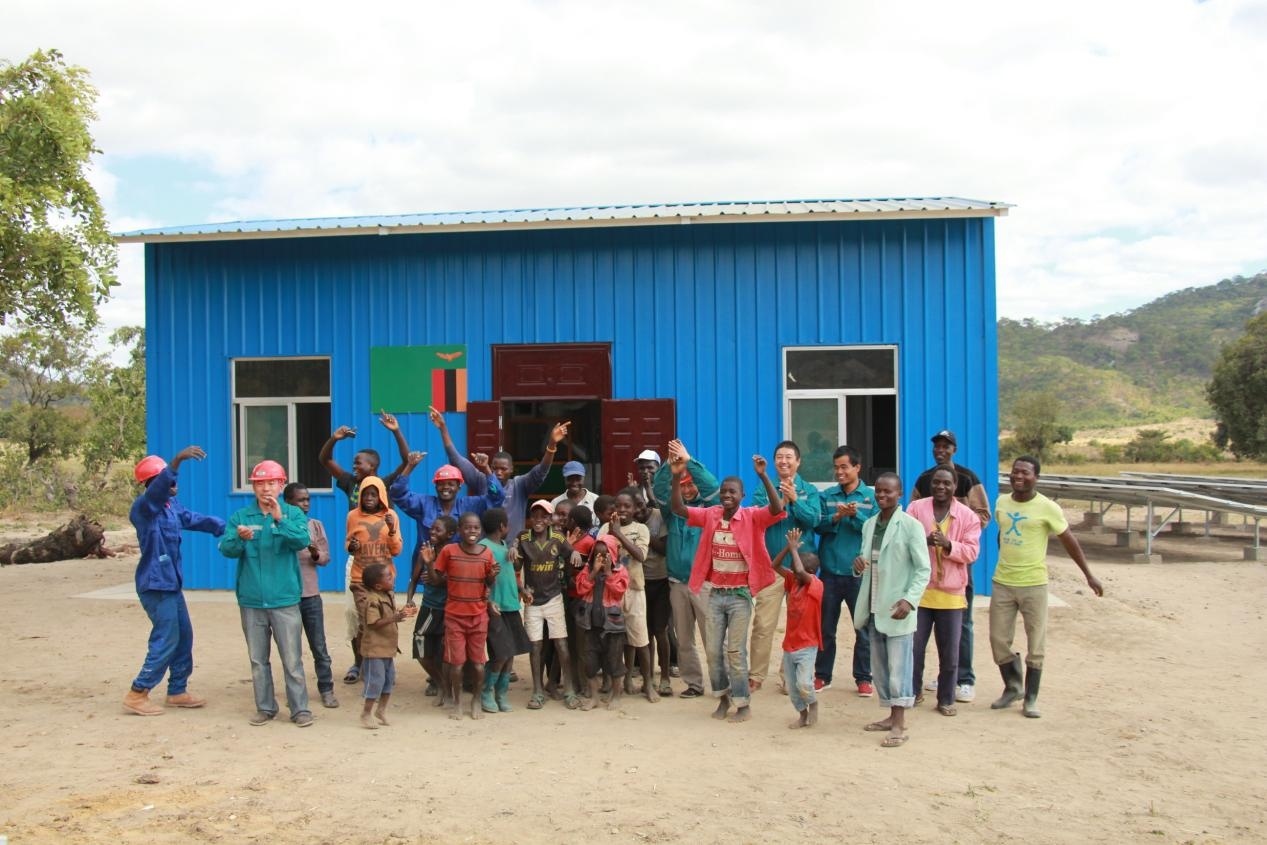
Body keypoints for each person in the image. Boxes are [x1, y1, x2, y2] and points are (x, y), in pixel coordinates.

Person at [670, 452, 784, 723]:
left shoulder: (753, 517)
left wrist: (763, 476)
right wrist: (676, 477)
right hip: (716, 594)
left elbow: (778, 509)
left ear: (742, 495)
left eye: (732, 491)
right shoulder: (711, 515)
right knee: (713, 651)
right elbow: (679, 509)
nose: (726, 495)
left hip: (740, 596)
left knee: (735, 651)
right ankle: (722, 698)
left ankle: (743, 704)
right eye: (723, 491)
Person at [991, 456, 1103, 719]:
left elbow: (1069, 541)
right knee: (998, 640)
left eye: (1025, 473)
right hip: (1003, 582)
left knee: (1036, 643)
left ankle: (1030, 698)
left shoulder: (1047, 507)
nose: (1018, 476)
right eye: (1015, 472)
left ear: (1036, 478)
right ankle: (1013, 686)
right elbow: (1002, 533)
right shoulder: (1001, 503)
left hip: (1034, 584)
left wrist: (1089, 575)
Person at [124, 447, 225, 716]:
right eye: (168, 480)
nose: (174, 483)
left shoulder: (170, 507)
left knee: (184, 636)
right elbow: (157, 491)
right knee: (166, 637)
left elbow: (192, 519)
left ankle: (177, 690)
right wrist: (177, 461)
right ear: (156, 483)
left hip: (170, 584)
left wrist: (224, 527)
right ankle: (138, 692)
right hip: (155, 585)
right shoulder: (144, 508)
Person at [218, 460, 315, 727]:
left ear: (282, 485)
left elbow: (301, 541)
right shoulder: (241, 517)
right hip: (251, 600)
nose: (265, 488)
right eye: (260, 483)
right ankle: (265, 707)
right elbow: (226, 549)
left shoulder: (293, 514)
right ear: (253, 486)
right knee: (258, 660)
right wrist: (238, 538)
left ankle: (300, 710)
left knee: (292, 659)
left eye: (271, 482)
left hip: (284, 599)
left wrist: (279, 518)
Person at [318, 411, 409, 685]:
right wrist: (334, 438)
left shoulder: (384, 485)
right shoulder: (350, 483)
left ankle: (381, 664)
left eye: (359, 462)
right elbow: (325, 460)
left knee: (381, 612)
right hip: (357, 562)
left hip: (381, 561)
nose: (354, 465)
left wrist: (395, 431)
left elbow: (406, 461)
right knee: (354, 614)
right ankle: (358, 663)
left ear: (372, 466)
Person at [909, 429, 992, 703]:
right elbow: (911, 519)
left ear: (954, 449)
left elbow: (984, 513)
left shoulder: (969, 478)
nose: (940, 450)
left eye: (946, 446)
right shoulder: (924, 479)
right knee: (919, 635)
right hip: (925, 572)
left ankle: (964, 679)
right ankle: (921, 686)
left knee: (960, 627)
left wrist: (956, 532)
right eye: (937, 447)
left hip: (956, 570)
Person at [851, 473, 931, 748]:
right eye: (879, 492)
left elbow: (923, 569)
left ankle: (899, 723)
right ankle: (890, 714)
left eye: (888, 492)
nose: (882, 496)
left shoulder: (911, 526)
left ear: (899, 494)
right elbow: (866, 560)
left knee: (899, 666)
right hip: (874, 606)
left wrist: (910, 600)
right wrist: (858, 565)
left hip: (898, 607)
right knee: (881, 667)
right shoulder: (870, 525)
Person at [430, 406, 571, 542]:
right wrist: (443, 428)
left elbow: (542, 470)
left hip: (514, 552)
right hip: (485, 550)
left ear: (512, 469)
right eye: (495, 468)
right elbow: (456, 459)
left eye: (503, 469)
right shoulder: (482, 479)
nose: (498, 472)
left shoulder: (519, 484)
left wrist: (552, 444)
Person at [906, 467, 981, 716]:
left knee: (949, 653)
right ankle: (913, 691)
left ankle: (946, 699)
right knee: (914, 648)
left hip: (951, 593)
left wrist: (949, 545)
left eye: (946, 483)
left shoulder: (968, 516)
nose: (940, 487)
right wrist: (922, 541)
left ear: (955, 486)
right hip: (921, 591)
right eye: (937, 482)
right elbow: (904, 539)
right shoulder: (916, 509)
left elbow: (972, 552)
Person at [749, 440, 822, 692]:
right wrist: (781, 497)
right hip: (771, 567)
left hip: (800, 569)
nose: (783, 461)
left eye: (789, 457)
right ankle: (756, 675)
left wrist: (795, 500)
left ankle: (788, 677)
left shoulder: (809, 490)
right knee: (763, 623)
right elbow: (761, 519)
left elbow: (813, 519)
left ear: (798, 461)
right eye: (779, 457)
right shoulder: (762, 490)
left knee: (797, 625)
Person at [652, 439, 719, 699]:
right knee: (684, 638)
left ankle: (720, 682)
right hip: (677, 582)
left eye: (691, 484)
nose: (688, 489)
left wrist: (690, 462)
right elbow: (658, 492)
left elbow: (712, 487)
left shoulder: (711, 510)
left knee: (712, 635)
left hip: (704, 584)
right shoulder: (673, 512)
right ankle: (694, 683)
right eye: (684, 484)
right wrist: (671, 468)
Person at [814, 445, 877, 696]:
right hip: (829, 571)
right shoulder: (827, 496)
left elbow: (874, 529)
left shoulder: (870, 497)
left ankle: (863, 678)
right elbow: (817, 526)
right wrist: (836, 518)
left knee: (862, 627)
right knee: (825, 627)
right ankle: (822, 675)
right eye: (836, 467)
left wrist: (854, 517)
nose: (839, 472)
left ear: (857, 468)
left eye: (844, 467)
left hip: (858, 574)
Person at [434, 512, 499, 720]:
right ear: (460, 530)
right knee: (457, 664)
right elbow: (436, 579)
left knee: (479, 664)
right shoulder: (448, 551)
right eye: (468, 527)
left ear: (480, 531)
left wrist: (491, 577)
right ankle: (458, 703)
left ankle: (476, 700)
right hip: (454, 616)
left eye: (476, 528)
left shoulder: (487, 553)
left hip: (478, 616)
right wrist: (428, 562)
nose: (472, 531)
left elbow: (489, 584)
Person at [516, 500, 580, 710]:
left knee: (561, 644)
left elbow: (571, 553)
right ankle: (537, 690)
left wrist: (575, 553)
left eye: (544, 516)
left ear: (550, 519)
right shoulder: (523, 538)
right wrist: (512, 553)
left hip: (554, 598)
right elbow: (516, 564)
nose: (539, 520)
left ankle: (569, 689)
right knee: (535, 646)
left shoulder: (558, 538)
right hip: (532, 600)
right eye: (535, 516)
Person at [283, 482, 338, 709]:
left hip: (311, 595)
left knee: (319, 646)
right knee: (291, 649)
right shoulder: (282, 527)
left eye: (307, 499)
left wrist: (316, 554)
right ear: (288, 503)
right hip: (286, 596)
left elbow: (326, 558)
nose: (305, 503)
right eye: (300, 500)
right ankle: (296, 693)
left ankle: (326, 689)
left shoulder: (315, 526)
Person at [599, 490, 656, 702]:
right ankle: (619, 681)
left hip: (634, 589)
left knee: (639, 638)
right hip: (611, 590)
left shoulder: (641, 529)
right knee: (615, 638)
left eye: (627, 506)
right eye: (618, 506)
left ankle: (648, 683)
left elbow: (640, 556)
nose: (622, 510)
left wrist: (619, 534)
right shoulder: (605, 528)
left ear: (634, 509)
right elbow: (600, 554)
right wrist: (611, 533)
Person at [344, 477, 403, 662]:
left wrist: (392, 530)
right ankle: (366, 664)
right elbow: (347, 544)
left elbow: (397, 550)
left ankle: (386, 662)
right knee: (368, 623)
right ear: (360, 496)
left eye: (373, 494)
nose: (369, 498)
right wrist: (352, 546)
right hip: (360, 579)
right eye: (365, 494)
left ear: (381, 496)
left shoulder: (391, 516)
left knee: (387, 622)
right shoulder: (353, 516)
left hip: (385, 581)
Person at [772, 528, 823, 729]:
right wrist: (788, 547)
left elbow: (801, 571)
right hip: (790, 645)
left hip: (807, 645)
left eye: (795, 568)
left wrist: (794, 550)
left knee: (804, 684)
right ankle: (802, 715)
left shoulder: (816, 585)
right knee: (793, 689)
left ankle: (813, 703)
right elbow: (774, 565)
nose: (793, 571)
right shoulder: (793, 582)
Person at [480, 508, 530, 713]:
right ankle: (486, 691)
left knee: (510, 655)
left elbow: (511, 576)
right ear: (502, 527)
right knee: (500, 654)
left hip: (511, 606)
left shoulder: (504, 546)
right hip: (495, 609)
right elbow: (481, 579)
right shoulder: (484, 548)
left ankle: (501, 693)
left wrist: (522, 590)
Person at [404, 515, 458, 702]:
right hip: (429, 608)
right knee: (420, 649)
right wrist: (410, 599)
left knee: (445, 651)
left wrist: (432, 568)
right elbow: (414, 578)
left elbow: (444, 581)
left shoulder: (453, 553)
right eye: (432, 529)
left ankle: (447, 688)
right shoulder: (426, 551)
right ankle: (441, 683)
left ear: (450, 534)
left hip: (447, 609)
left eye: (438, 530)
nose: (432, 532)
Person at [357, 562, 417, 729]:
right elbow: (373, 623)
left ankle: (381, 710)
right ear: (377, 585)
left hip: (387, 648)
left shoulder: (387, 594)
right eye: (389, 577)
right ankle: (366, 713)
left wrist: (403, 612)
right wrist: (395, 618)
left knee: (388, 681)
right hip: (375, 649)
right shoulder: (372, 600)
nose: (393, 578)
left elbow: (391, 613)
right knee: (375, 681)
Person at [574, 534, 629, 711]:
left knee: (614, 661)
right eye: (597, 554)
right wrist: (593, 572)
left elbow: (619, 591)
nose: (601, 558)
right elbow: (581, 588)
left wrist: (607, 573)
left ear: (612, 554)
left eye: (605, 554)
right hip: (591, 625)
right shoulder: (587, 570)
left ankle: (616, 695)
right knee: (589, 662)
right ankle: (595, 697)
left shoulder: (619, 571)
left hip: (613, 626)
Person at [637, 486, 673, 696]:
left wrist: (644, 534)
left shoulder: (658, 517)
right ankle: (648, 677)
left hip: (661, 580)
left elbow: (665, 548)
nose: (638, 511)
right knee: (645, 633)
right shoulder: (628, 523)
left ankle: (666, 676)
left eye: (641, 505)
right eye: (635, 508)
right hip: (639, 583)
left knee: (661, 630)